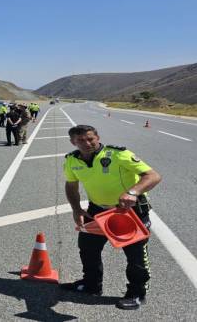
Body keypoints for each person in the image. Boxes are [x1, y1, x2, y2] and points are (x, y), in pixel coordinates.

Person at [61, 125, 162, 310]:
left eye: (90, 138)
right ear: (73, 142)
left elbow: (153, 176)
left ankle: (137, 293)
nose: (87, 143)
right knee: (87, 248)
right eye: (81, 140)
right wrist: (76, 209)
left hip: (129, 211)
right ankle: (92, 286)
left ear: (97, 137)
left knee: (136, 256)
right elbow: (71, 185)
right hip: (96, 210)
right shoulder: (71, 160)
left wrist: (133, 191)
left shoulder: (118, 155)